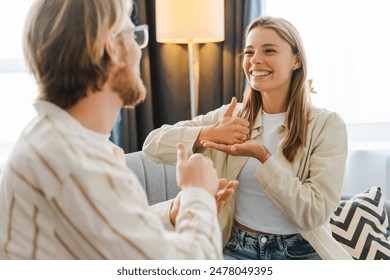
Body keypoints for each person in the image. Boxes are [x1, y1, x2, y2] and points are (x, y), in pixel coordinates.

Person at [0, 0, 238, 260]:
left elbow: (105, 230)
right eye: (133, 34)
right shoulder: (76, 162)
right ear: (111, 47)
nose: (138, 49)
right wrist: (197, 193)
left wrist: (175, 209)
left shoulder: (64, 141)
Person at [143, 16, 353, 260]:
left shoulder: (327, 125)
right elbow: (152, 145)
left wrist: (262, 156)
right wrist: (207, 134)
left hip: (300, 251)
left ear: (296, 60)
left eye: (269, 50)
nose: (255, 60)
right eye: (249, 51)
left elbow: (314, 213)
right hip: (236, 248)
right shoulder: (229, 117)